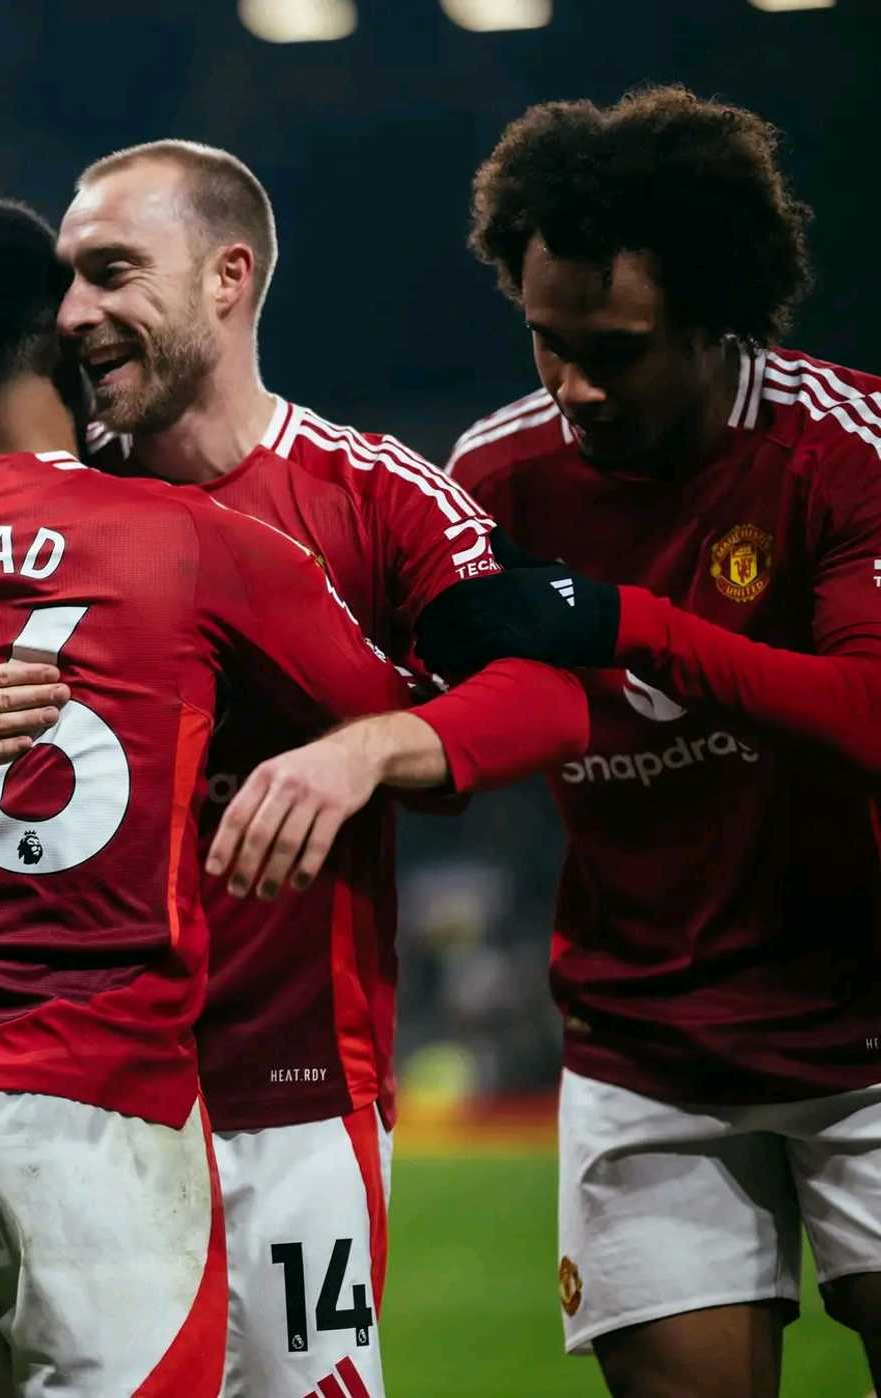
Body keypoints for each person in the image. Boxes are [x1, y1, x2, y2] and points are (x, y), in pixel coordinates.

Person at [0, 142, 612, 1398]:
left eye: (111, 273)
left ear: (228, 278)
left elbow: (550, 696)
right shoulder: (77, 504)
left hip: (278, 1088)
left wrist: (369, 748)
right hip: (92, 1092)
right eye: (63, 282)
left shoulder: (371, 491)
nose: (74, 313)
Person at [438, 86, 881, 1397]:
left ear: (718, 318)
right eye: (543, 339)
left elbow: (866, 715)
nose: (571, 384)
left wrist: (629, 625)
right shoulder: (497, 476)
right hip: (649, 1046)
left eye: (615, 350)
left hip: (866, 1028)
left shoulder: (842, 450)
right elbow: (449, 707)